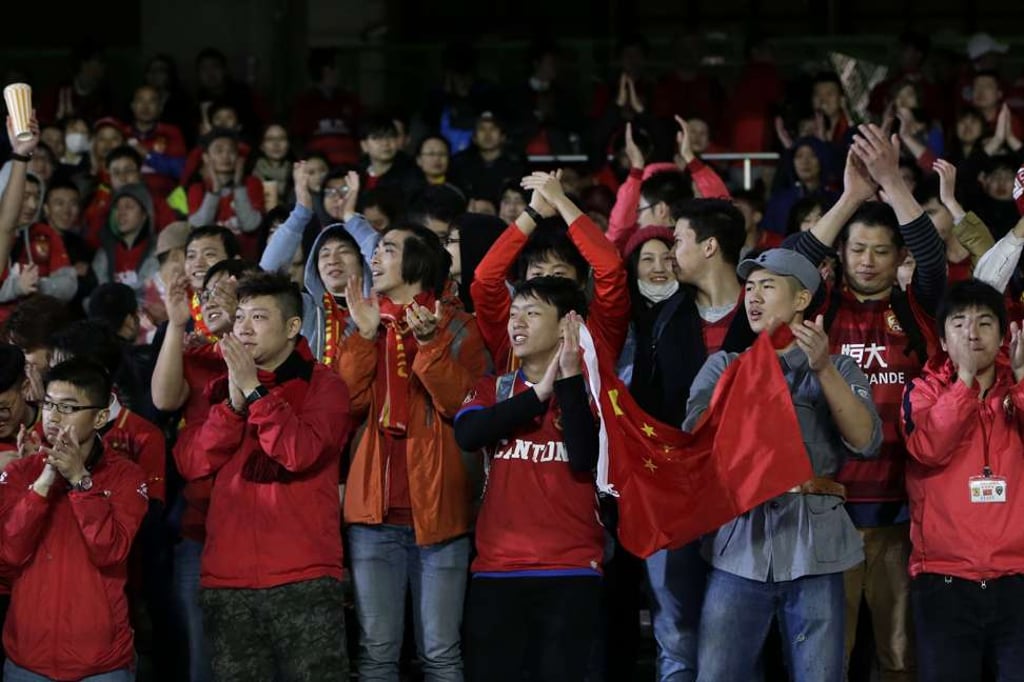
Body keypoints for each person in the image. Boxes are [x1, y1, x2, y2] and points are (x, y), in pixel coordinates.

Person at [785, 124, 947, 681]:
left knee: (899, 658)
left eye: (882, 251)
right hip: (829, 509)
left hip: (901, 511)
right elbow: (787, 264)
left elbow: (931, 257)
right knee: (826, 660)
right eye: (858, 249)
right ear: (842, 251)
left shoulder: (919, 307)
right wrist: (852, 195)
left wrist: (892, 183)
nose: (870, 261)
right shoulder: (820, 306)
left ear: (895, 254)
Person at [686, 248, 882, 681]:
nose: (753, 297)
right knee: (718, 674)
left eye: (767, 286)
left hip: (815, 548)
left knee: (821, 675)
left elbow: (865, 440)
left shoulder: (839, 367)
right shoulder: (723, 366)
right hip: (739, 544)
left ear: (801, 300)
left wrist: (824, 370)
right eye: (749, 288)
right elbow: (697, 439)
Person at [176, 270, 352, 680]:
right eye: (240, 318)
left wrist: (256, 393)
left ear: (292, 327)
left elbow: (298, 452)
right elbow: (192, 462)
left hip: (303, 575)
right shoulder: (220, 388)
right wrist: (234, 407)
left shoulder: (325, 386)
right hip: (227, 577)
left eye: (258, 317)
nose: (244, 328)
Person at [341, 223, 487, 680]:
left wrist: (429, 345)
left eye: (387, 249)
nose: (375, 258)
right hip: (373, 515)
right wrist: (364, 338)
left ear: (417, 262)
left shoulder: (459, 327)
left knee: (440, 654)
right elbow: (346, 404)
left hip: (440, 513)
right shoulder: (367, 320)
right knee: (377, 654)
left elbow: (462, 406)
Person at [455, 278, 601, 682]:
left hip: (571, 569)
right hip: (497, 569)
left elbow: (584, 456)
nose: (517, 322)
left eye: (532, 313)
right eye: (514, 314)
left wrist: (568, 383)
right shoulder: (495, 388)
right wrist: (538, 394)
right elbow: (468, 435)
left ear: (564, 326)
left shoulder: (595, 393)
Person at [632, 197, 752, 681]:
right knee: (677, 639)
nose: (668, 253)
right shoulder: (663, 319)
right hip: (678, 498)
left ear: (708, 246)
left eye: (677, 241)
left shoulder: (763, 310)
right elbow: (644, 405)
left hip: (747, 501)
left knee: (741, 642)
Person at [901, 279, 1024, 681]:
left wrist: (1021, 384)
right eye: (959, 323)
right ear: (941, 335)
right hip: (944, 579)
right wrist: (963, 384)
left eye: (985, 323)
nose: (972, 333)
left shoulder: (1018, 388)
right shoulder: (921, 390)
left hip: (1017, 577)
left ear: (1004, 334)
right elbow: (928, 448)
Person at [0, 358, 148, 681]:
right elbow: (8, 553)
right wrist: (44, 481)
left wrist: (81, 481)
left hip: (101, 663)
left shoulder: (126, 477)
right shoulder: (19, 472)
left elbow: (111, 551)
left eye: (68, 408)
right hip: (27, 659)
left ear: (98, 417)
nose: (54, 416)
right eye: (49, 404)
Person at [152, 257, 256, 682]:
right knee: (202, 659)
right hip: (201, 526)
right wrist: (176, 326)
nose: (213, 298)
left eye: (227, 291)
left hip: (259, 527)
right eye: (208, 292)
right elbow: (163, 399)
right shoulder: (193, 355)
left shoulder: (270, 359)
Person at [472, 170, 629, 372]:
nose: (546, 283)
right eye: (537, 275)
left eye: (558, 274)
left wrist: (560, 200)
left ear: (581, 281)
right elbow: (485, 279)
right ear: (522, 279)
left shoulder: (600, 327)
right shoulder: (509, 327)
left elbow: (611, 268)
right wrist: (533, 211)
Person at [260, 161, 378, 364]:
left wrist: (350, 216)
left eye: (343, 252)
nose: (333, 260)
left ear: (362, 262)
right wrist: (302, 212)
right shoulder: (305, 307)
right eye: (324, 254)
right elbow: (266, 275)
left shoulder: (380, 302)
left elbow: (382, 257)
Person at [0, 117, 77, 322]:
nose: (33, 205)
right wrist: (17, 287)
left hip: (36, 330)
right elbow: (6, 226)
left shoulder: (45, 232)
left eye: (37, 197)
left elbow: (69, 284)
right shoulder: (3, 233)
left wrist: (38, 284)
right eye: (24, 197)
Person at [187, 128, 264, 259]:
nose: (225, 156)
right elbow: (199, 228)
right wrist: (215, 191)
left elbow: (250, 225)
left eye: (231, 151)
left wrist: (239, 186)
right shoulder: (197, 189)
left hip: (247, 260)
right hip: (211, 263)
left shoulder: (252, 183)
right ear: (206, 158)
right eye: (219, 151)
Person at [290, 48, 362, 166]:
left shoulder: (350, 100)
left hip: (349, 163)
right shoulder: (304, 102)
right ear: (323, 70)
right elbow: (297, 136)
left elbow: (361, 131)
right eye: (333, 68)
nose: (338, 72)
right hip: (317, 165)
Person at [91, 183, 160, 301]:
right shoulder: (104, 255)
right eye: (118, 207)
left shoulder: (158, 251)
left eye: (129, 207)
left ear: (144, 214)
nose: (121, 213)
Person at [449, 112, 526, 207]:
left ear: (503, 136)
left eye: (493, 128)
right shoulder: (460, 163)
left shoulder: (516, 164)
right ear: (474, 137)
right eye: (482, 129)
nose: (487, 134)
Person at [127, 84, 188, 197]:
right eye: (140, 100)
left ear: (160, 108)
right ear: (132, 106)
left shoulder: (171, 133)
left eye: (152, 101)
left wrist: (149, 156)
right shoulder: (123, 133)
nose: (145, 107)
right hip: (129, 196)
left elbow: (181, 170)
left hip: (165, 198)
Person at [359, 115, 424, 200]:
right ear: (364, 145)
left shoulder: (411, 175)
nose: (386, 143)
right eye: (377, 138)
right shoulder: (357, 173)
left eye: (390, 136)